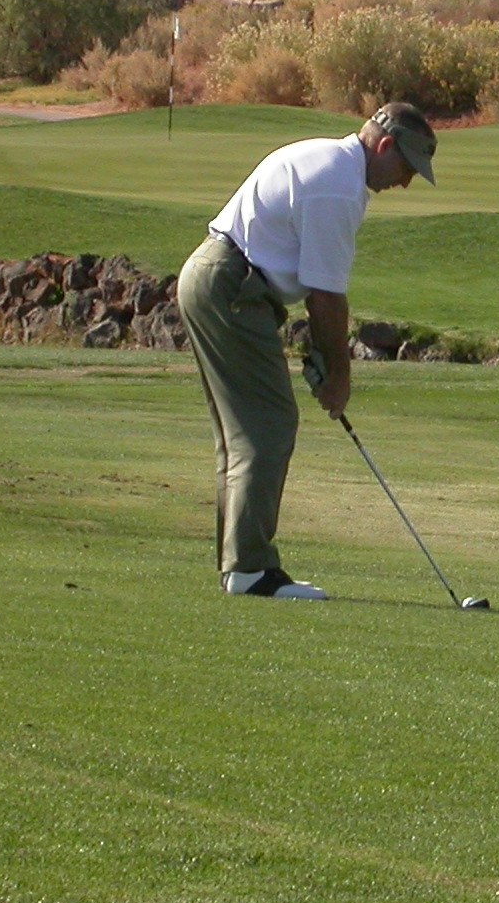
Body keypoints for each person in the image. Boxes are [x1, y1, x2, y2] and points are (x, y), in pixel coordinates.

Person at [176, 101, 436, 599]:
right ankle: (250, 570)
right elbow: (325, 297)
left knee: (243, 435)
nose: (405, 182)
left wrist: (325, 358)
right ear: (384, 147)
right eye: (406, 167)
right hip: (231, 286)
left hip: (217, 279)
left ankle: (241, 566)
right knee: (267, 426)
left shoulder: (331, 164)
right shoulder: (337, 185)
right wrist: (338, 376)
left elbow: (316, 293)